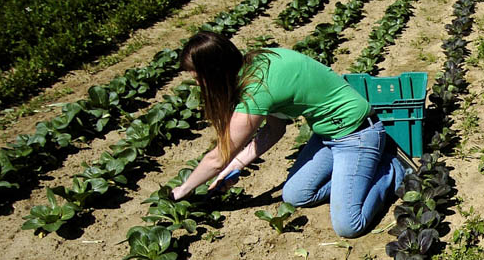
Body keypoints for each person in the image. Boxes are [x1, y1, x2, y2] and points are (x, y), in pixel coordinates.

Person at [171, 31, 405, 238]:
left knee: (348, 225)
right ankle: (359, 176)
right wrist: (236, 166)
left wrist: (184, 190)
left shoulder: (258, 90)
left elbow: (217, 157)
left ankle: (389, 169)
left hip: (357, 134)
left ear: (215, 70)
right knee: (296, 195)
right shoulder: (256, 63)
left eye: (198, 77)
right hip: (327, 136)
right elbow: (275, 130)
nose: (198, 83)